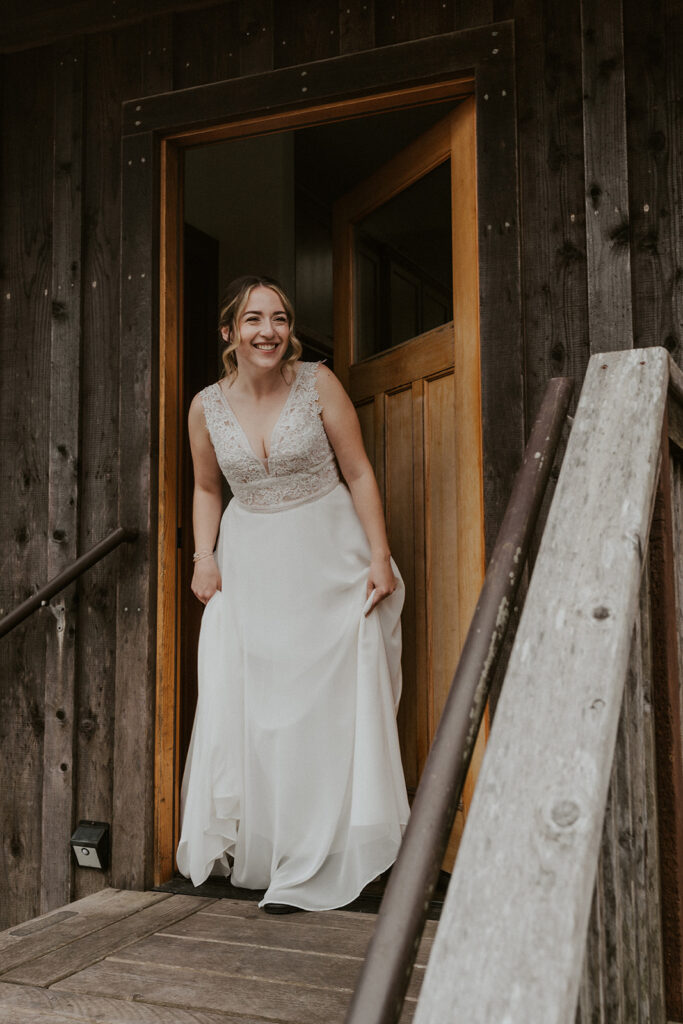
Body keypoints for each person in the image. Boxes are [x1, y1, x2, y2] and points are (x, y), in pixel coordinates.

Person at [176, 274, 410, 913]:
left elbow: (358, 470)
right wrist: (204, 558)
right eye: (254, 320)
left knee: (330, 701)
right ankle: (280, 848)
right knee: (267, 709)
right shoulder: (205, 406)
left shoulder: (318, 383)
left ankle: (335, 852)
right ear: (229, 332)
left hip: (327, 552)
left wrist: (380, 556)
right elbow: (205, 489)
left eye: (279, 319)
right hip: (252, 559)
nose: (269, 332)